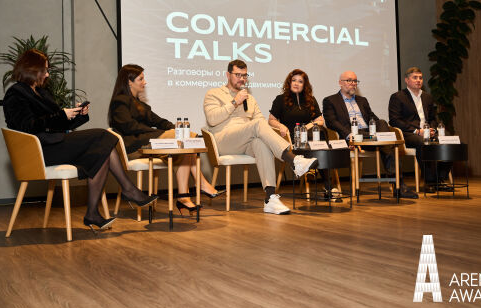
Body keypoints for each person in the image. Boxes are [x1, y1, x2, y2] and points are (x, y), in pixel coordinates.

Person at [3, 50, 156, 232]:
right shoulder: (16, 94)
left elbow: (57, 123)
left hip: (54, 144)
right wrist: (61, 115)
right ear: (31, 69)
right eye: (44, 70)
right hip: (40, 151)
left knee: (103, 150)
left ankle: (94, 213)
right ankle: (128, 190)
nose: (47, 74)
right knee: (103, 136)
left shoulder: (42, 92)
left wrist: (77, 115)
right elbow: (27, 126)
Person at [203, 60, 318, 214]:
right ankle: (293, 160)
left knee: (261, 143)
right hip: (224, 140)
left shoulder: (249, 98)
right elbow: (212, 119)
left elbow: (261, 121)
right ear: (228, 75)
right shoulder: (214, 93)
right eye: (238, 75)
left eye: (244, 75)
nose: (242, 79)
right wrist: (234, 102)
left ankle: (270, 199)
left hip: (246, 139)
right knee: (257, 124)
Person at [109, 64, 223, 215]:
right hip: (134, 148)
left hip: (148, 143)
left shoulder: (140, 104)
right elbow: (129, 126)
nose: (145, 82)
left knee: (185, 145)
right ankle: (200, 185)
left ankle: (184, 197)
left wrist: (175, 128)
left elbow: (158, 120)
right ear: (129, 82)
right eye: (141, 79)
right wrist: (161, 133)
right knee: (187, 139)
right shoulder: (120, 101)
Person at [322, 70, 418, 198]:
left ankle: (397, 182)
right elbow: (331, 122)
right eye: (349, 80)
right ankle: (399, 185)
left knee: (382, 123)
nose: (353, 83)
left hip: (370, 135)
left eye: (355, 81)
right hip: (352, 136)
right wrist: (348, 134)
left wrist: (381, 128)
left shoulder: (362, 100)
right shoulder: (330, 100)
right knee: (388, 145)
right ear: (340, 83)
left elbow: (373, 118)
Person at [268, 69, 337, 198]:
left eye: (300, 81)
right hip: (292, 138)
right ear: (289, 83)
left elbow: (320, 120)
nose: (296, 83)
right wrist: (280, 125)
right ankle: (326, 183)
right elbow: (271, 120)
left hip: (310, 137)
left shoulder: (310, 100)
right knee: (319, 141)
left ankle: (315, 171)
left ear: (304, 85)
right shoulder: (280, 99)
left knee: (320, 133)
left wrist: (308, 126)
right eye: (294, 80)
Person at [388, 67, 451, 191]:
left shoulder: (427, 97)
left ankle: (439, 179)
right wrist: (417, 131)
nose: (418, 80)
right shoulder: (398, 97)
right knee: (423, 143)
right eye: (415, 78)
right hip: (408, 134)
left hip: (427, 132)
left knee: (449, 142)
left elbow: (432, 118)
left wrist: (432, 129)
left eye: (420, 78)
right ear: (407, 80)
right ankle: (430, 182)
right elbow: (394, 120)